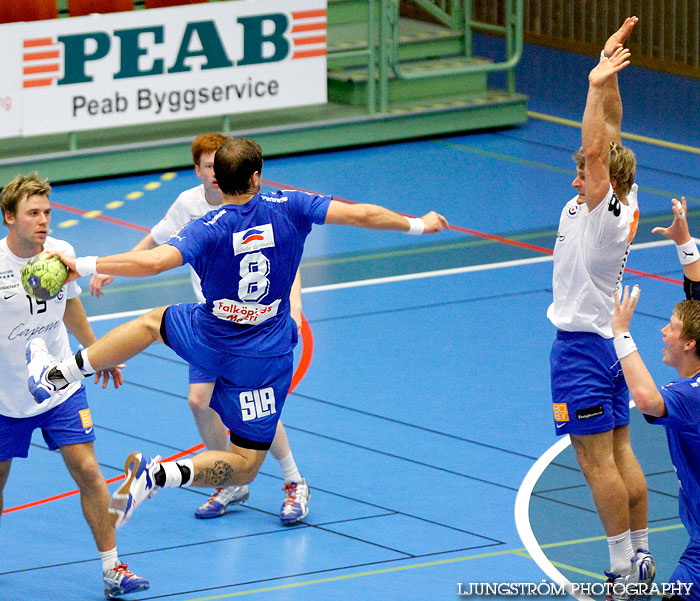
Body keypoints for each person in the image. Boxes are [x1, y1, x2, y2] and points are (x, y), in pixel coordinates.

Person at [25, 137, 448, 534]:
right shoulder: (291, 205)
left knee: (151, 324)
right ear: (256, 177)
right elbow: (363, 214)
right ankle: (160, 474)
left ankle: (60, 374)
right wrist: (418, 223)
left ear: (218, 181)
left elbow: (153, 263)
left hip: (210, 334)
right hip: (264, 356)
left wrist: (81, 263)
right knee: (245, 464)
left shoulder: (207, 224)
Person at [89, 133, 310, 525]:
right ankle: (230, 480)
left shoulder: (262, 205)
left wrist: (293, 305)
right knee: (199, 401)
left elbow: (282, 263)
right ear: (199, 171)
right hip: (210, 329)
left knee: (253, 409)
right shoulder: (190, 206)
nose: (214, 173)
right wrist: (107, 269)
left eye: (218, 166)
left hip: (257, 334)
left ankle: (294, 480)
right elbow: (156, 243)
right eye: (207, 167)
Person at [545, 17, 656, 594]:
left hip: (582, 350)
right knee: (619, 448)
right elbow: (608, 130)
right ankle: (640, 551)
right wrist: (609, 69)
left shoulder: (600, 212)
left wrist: (591, 84)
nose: (577, 177)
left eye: (584, 173)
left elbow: (594, 143)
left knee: (595, 464)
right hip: (606, 345)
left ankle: (619, 567)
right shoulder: (623, 198)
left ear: (601, 179)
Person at [0, 174, 148, 599]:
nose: (44, 220)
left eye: (47, 212)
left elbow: (70, 304)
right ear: (10, 217)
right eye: (33, 213)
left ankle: (112, 568)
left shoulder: (60, 253)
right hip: (7, 397)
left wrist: (99, 351)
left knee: (87, 469)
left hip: (61, 385)